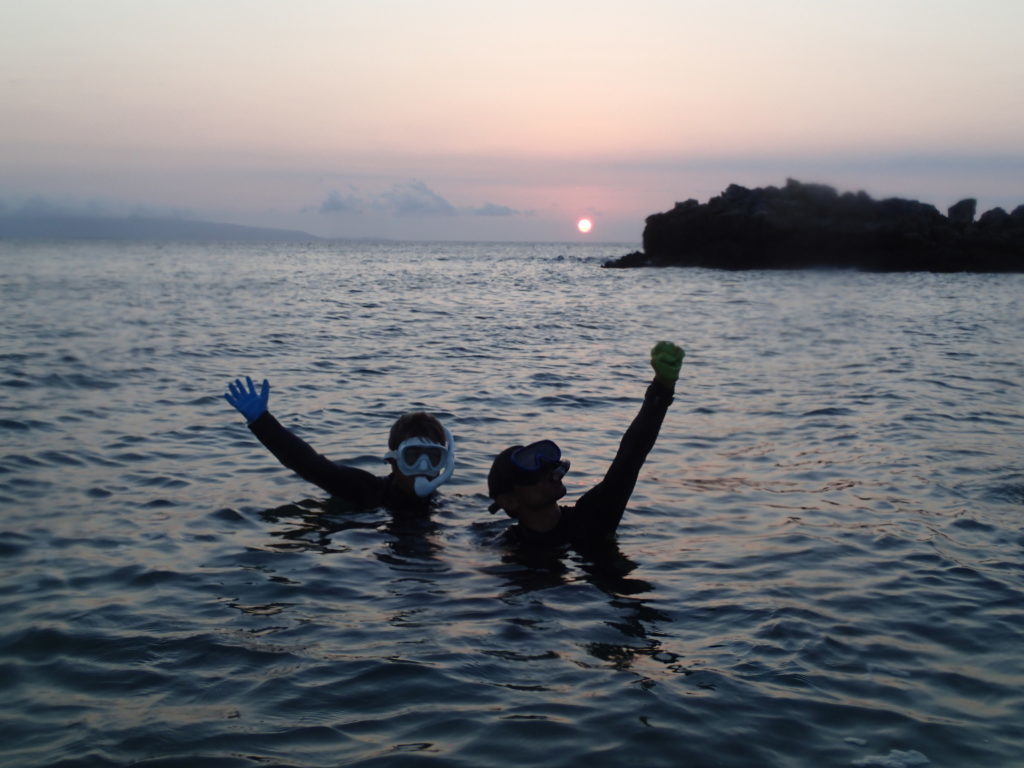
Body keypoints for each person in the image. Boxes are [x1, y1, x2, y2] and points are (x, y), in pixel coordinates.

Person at [486, 341, 683, 549]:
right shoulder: (503, 548)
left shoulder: (592, 518)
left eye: (546, 460)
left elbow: (630, 456)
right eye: (530, 466)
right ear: (509, 500)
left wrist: (662, 388)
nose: (547, 468)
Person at [224, 376, 454, 512]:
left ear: (444, 464)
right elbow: (310, 465)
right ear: (392, 461)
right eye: (413, 457)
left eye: (433, 458)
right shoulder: (365, 489)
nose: (423, 467)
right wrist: (263, 422)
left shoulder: (445, 507)